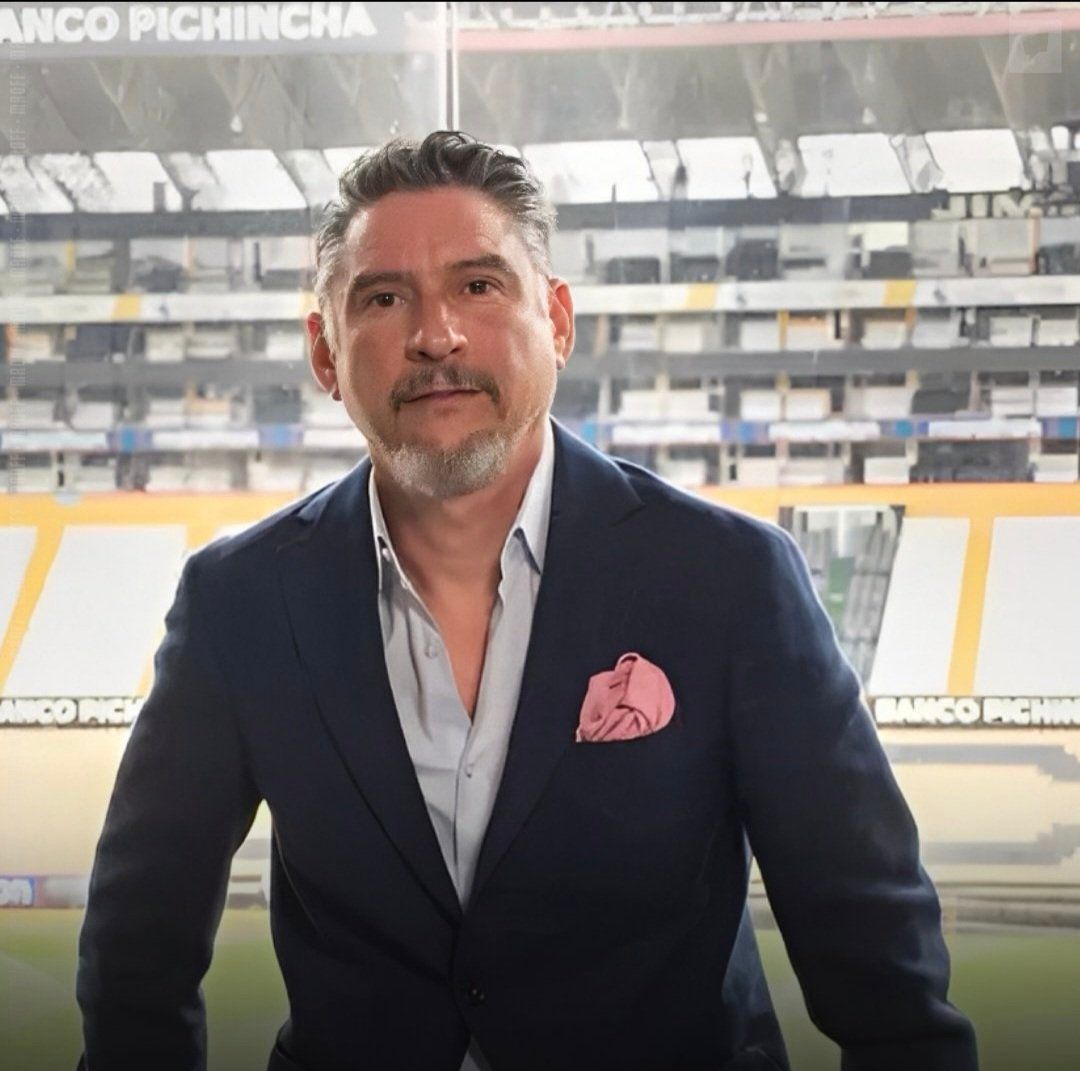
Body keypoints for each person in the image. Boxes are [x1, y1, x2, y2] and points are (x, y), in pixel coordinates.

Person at [76, 131, 978, 1071]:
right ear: (325, 353)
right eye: (383, 298)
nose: (436, 335)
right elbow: (138, 945)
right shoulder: (240, 602)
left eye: (479, 285)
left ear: (558, 321)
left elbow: (878, 955)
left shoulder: (729, 580)